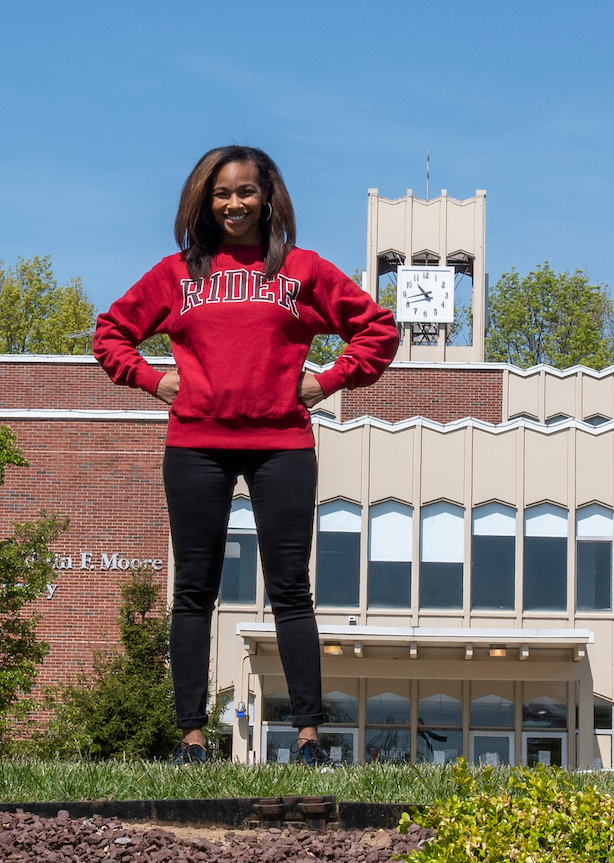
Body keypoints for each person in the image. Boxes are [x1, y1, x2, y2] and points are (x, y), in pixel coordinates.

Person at [93, 146, 399, 767]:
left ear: (268, 198)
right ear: (204, 201)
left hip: (281, 443)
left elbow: (379, 329)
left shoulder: (303, 271)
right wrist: (154, 382)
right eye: (221, 194)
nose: (234, 204)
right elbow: (110, 333)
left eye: (246, 192)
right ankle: (191, 741)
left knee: (291, 590)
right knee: (193, 592)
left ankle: (309, 739)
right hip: (196, 444)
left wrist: (328, 381)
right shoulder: (178, 274)